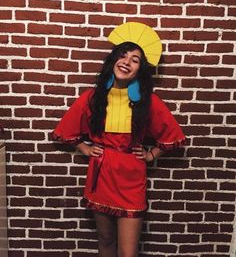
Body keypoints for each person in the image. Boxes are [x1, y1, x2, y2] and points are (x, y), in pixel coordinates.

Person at [53, 22, 186, 257]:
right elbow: (66, 129)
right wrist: (83, 147)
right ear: (113, 59)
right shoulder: (92, 97)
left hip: (131, 177)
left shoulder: (148, 101)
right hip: (101, 174)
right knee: (105, 240)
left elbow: (172, 135)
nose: (126, 62)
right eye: (123, 55)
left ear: (140, 69)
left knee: (127, 252)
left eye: (135, 59)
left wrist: (152, 154)